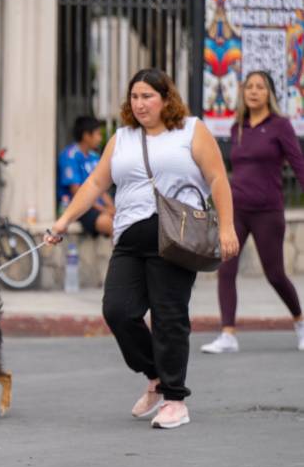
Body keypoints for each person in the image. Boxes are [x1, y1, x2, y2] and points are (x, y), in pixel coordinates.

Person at [47, 68, 239, 429]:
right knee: (117, 310)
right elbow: (94, 183)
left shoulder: (191, 130)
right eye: (134, 97)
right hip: (130, 239)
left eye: (148, 96)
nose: (140, 104)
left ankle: (175, 399)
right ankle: (155, 376)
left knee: (169, 318)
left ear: (166, 98)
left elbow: (217, 178)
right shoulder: (121, 138)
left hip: (177, 237)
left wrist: (227, 227)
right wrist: (63, 222)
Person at [201, 70, 304, 353]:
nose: (254, 92)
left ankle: (299, 322)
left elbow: (298, 164)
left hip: (267, 211)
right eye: (249, 87)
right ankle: (228, 334)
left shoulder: (280, 126)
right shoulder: (238, 127)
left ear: (269, 93)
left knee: (275, 274)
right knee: (226, 269)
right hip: (237, 209)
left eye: (260, 87)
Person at [57, 116, 115, 237]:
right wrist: (104, 210)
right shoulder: (70, 156)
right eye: (98, 134)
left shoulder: (94, 157)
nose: (101, 138)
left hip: (96, 207)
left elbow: (101, 188)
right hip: (78, 208)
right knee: (110, 224)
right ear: (86, 136)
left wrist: (111, 208)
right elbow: (77, 192)